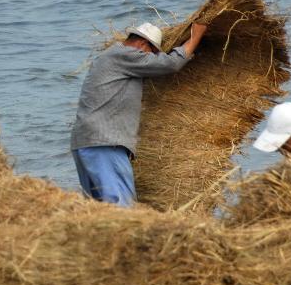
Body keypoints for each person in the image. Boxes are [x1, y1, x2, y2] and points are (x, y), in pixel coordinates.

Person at [70, 22, 208, 207]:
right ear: (142, 45)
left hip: (86, 143)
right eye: (152, 53)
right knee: (120, 205)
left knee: (97, 208)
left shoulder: (109, 58)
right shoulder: (125, 55)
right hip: (105, 142)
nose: (150, 58)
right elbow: (171, 64)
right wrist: (196, 35)